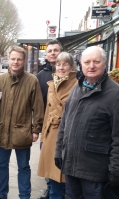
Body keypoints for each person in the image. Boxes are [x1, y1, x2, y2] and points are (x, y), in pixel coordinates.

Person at [54, 46, 119, 199]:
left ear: (105, 63)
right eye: (87, 62)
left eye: (96, 61)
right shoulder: (78, 87)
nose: (91, 66)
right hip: (71, 165)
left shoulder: (117, 95)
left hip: (95, 171)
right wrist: (58, 152)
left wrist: (116, 170)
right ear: (81, 64)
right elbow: (65, 124)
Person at [0, 46, 44, 199]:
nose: (15, 62)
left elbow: (38, 107)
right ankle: (0, 195)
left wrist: (36, 129)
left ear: (24, 61)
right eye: (13, 59)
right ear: (8, 59)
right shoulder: (0, 80)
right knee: (1, 166)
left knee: (23, 167)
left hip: (23, 132)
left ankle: (24, 195)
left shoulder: (32, 81)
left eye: (19, 59)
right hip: (2, 131)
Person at [37, 52, 77, 199]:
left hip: (67, 135)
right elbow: (47, 111)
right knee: (53, 180)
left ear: (71, 67)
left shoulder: (77, 85)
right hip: (51, 135)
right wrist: (43, 136)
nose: (61, 67)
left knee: (68, 182)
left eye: (65, 64)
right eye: (58, 64)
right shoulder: (51, 85)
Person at [36, 40, 63, 199]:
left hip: (64, 126)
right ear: (46, 55)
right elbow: (38, 103)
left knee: (62, 161)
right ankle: (50, 189)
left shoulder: (71, 74)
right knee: (47, 160)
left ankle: (63, 190)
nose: (52, 53)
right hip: (47, 126)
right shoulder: (41, 75)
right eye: (50, 51)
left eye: (55, 50)